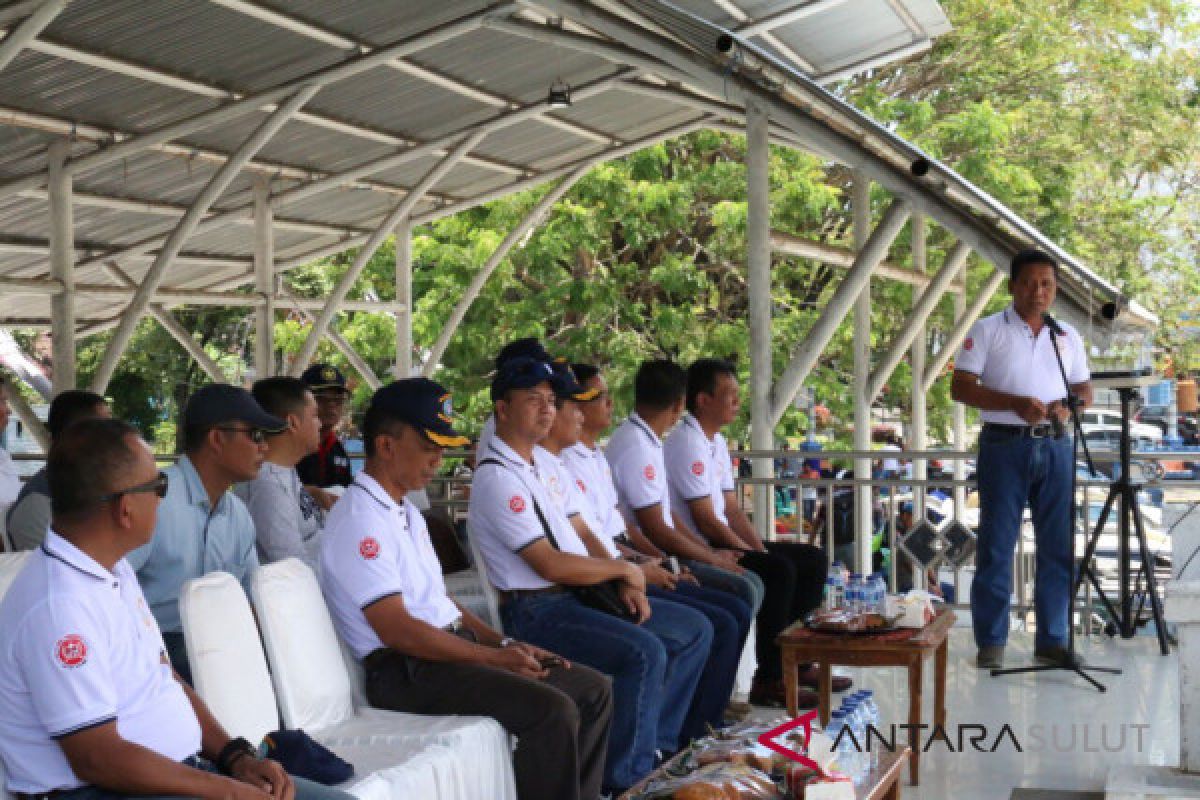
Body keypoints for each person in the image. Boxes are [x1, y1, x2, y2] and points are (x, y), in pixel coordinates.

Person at [0, 417, 353, 800]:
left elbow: (162, 675)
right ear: (125, 509)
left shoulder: (111, 566)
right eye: (158, 486)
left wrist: (236, 757)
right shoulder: (59, 607)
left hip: (173, 774)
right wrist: (229, 792)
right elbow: (97, 758)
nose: (162, 498)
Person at [319, 378, 612, 800]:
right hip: (405, 669)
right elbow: (396, 628)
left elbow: (441, 602)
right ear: (385, 446)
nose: (439, 458)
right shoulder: (361, 519)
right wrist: (492, 657)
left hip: (441, 650)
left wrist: (507, 642)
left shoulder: (404, 510)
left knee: (591, 689)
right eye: (429, 446)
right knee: (552, 711)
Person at [469, 357, 708, 793]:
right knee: (643, 652)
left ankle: (655, 751)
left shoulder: (538, 465)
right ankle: (627, 781)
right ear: (502, 409)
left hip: (575, 595)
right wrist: (623, 569)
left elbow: (580, 533)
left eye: (549, 401)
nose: (546, 409)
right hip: (538, 609)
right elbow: (549, 563)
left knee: (690, 629)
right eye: (533, 401)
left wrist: (620, 576)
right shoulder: (498, 477)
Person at [544, 361, 748, 742]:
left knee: (729, 607)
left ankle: (688, 729)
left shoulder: (583, 458)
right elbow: (568, 555)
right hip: (580, 589)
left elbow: (611, 532)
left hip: (614, 568)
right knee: (709, 620)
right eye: (586, 400)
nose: (606, 404)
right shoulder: (566, 461)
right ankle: (672, 742)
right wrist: (638, 570)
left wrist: (645, 564)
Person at [662, 358, 846, 707]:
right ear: (703, 400)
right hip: (698, 544)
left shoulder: (716, 442)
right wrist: (758, 556)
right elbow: (706, 520)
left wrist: (758, 546)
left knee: (812, 559)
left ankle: (799, 661)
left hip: (718, 534)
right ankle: (770, 678)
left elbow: (731, 510)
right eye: (729, 395)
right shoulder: (686, 442)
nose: (737, 402)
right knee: (778, 570)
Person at [950, 248, 1092, 670]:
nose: (1038, 291)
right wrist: (1014, 404)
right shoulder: (989, 330)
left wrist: (1070, 407)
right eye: (1029, 283)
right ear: (1013, 286)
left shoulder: (1066, 335)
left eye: (1046, 284)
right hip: (1004, 446)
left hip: (1057, 446)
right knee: (997, 545)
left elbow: (1084, 390)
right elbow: (959, 387)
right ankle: (991, 640)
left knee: (1057, 546)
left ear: (1055, 289)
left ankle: (1053, 638)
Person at [127, 383, 284, 683]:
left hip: (218, 646)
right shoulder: (155, 499)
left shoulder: (238, 514)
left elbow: (253, 600)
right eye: (255, 435)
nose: (264, 446)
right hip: (155, 648)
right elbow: (110, 591)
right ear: (216, 439)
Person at [236, 377, 324, 567]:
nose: (320, 424)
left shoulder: (283, 471)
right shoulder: (269, 488)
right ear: (292, 423)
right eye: (315, 415)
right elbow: (295, 570)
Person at [6, 389, 110, 551]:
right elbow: (56, 571)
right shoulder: (37, 505)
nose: (114, 438)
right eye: (104, 430)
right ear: (71, 438)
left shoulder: (98, 491)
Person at [296, 364, 353, 509]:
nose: (331, 405)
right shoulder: (291, 446)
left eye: (338, 399)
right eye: (322, 398)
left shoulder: (338, 449)